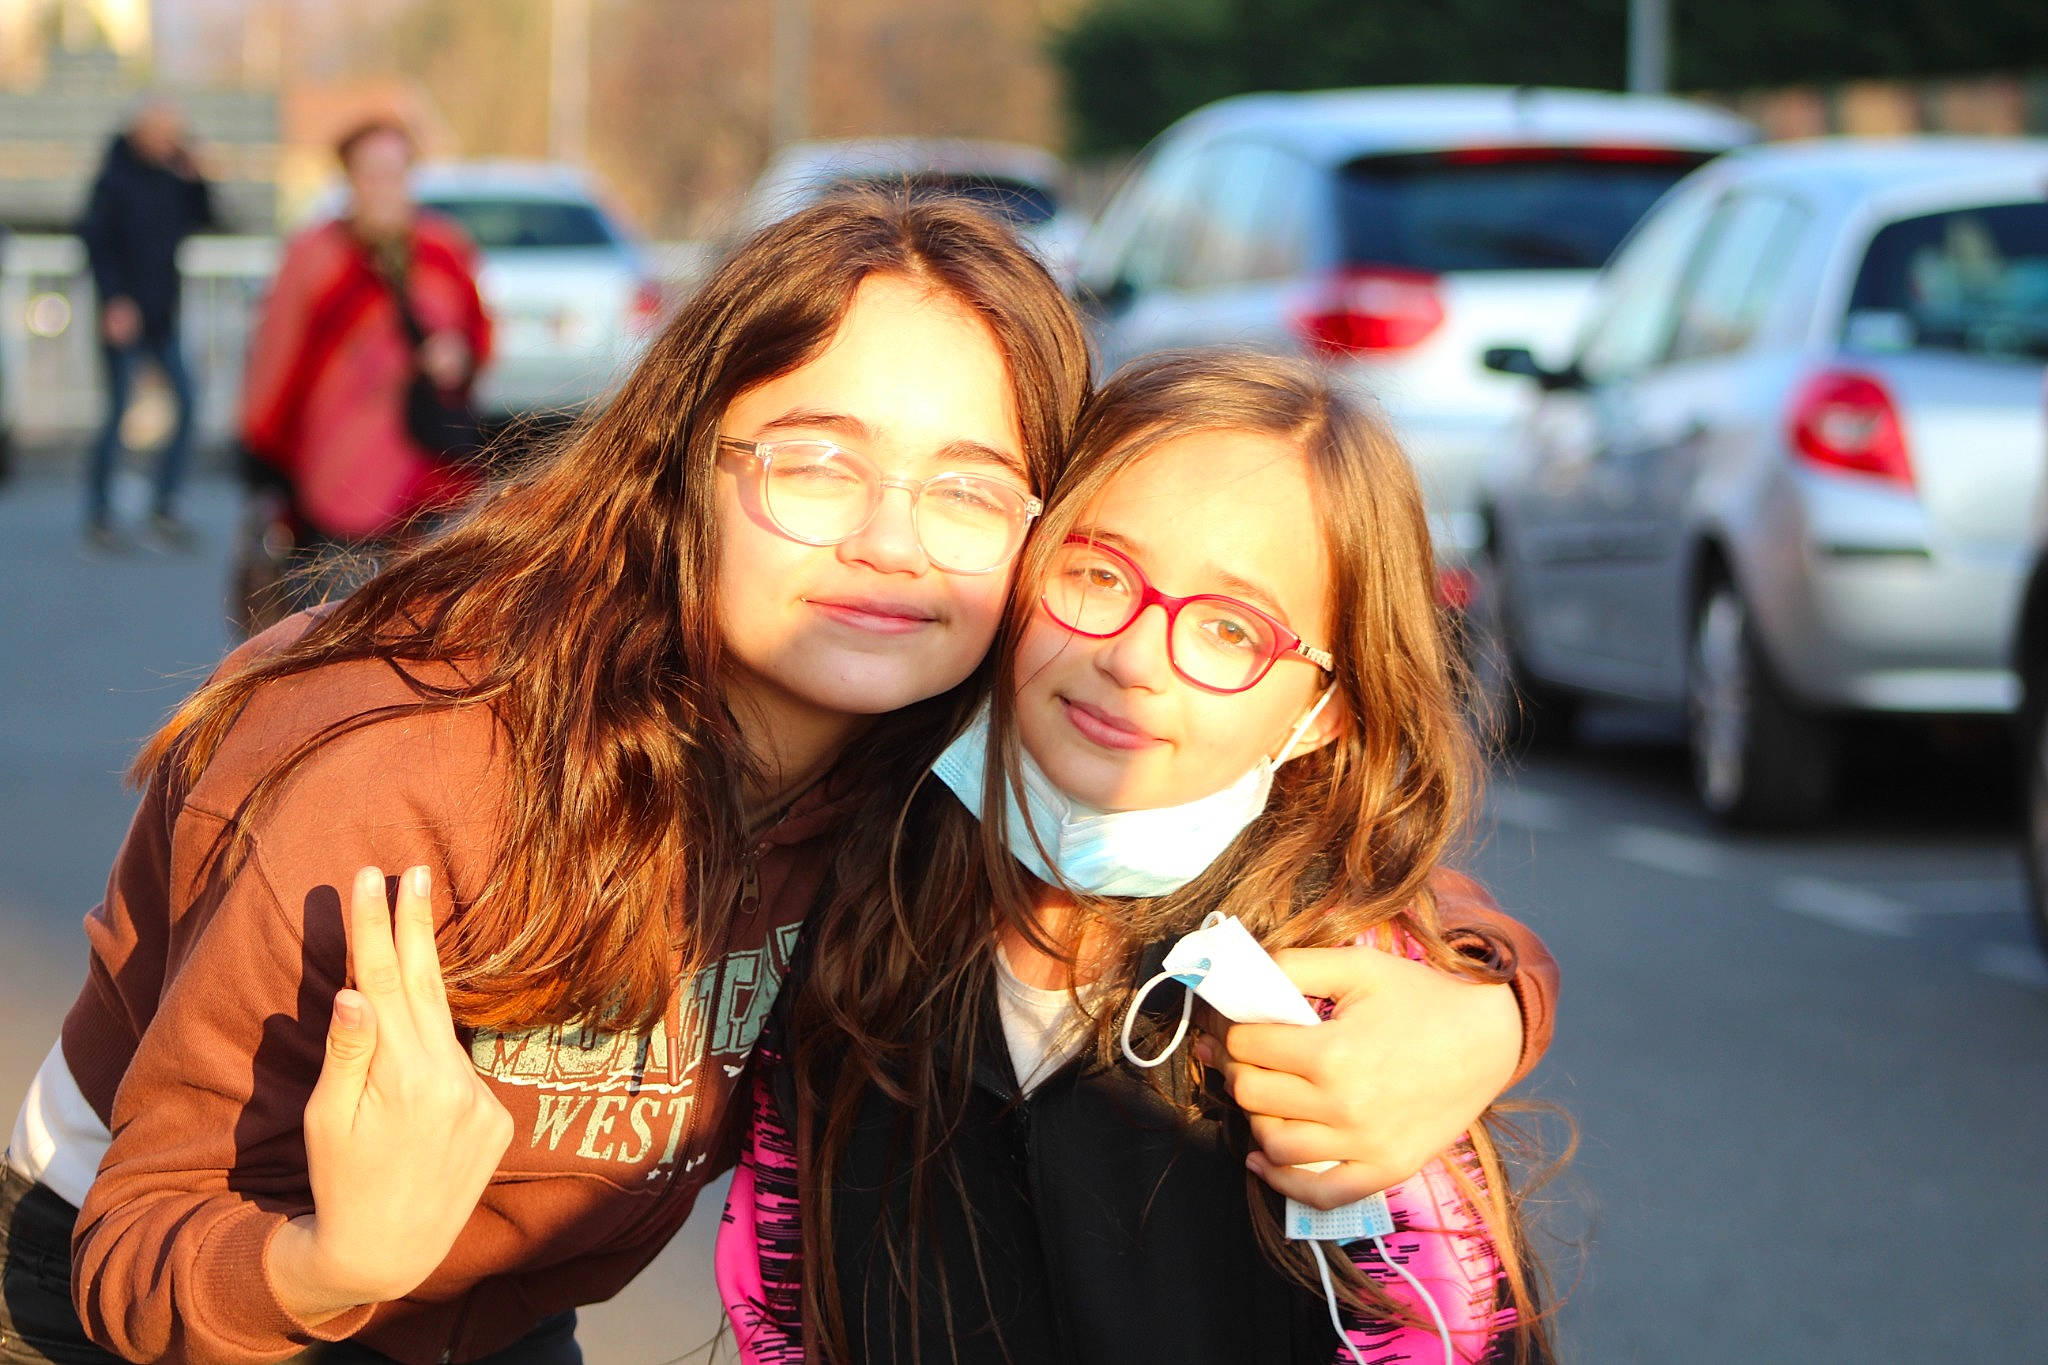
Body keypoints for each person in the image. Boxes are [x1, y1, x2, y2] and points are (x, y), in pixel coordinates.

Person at [0, 197, 1551, 1365]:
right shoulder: (411, 758)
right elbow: (138, 1239)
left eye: (968, 488)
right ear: (690, 455)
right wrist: (337, 1261)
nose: (890, 541)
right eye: (816, 461)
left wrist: (1481, 1011)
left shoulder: (922, 733)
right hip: (173, 1301)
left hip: (494, 1309)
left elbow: (1284, 851)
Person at [718, 351, 1559, 1363]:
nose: (1131, 657)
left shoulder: (1335, 1021)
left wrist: (1494, 998)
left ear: (1326, 709)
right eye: (1096, 573)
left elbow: (1433, 1328)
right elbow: (784, 1289)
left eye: (1230, 631)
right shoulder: (859, 908)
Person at [234, 117, 490, 631]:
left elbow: (477, 332)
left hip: (427, 468)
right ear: (349, 178)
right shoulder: (314, 255)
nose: (383, 187)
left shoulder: (443, 248)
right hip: (336, 472)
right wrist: (262, 450)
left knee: (420, 625)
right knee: (333, 626)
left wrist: (457, 357)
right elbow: (275, 353)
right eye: (370, 173)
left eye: (394, 172)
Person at [76, 96, 215, 551]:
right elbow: (96, 242)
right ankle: (100, 514)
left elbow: (208, 218)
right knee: (117, 412)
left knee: (187, 403)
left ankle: (164, 506)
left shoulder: (172, 178)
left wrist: (198, 178)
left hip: (162, 316)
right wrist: (114, 300)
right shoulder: (114, 178)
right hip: (125, 314)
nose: (168, 142)